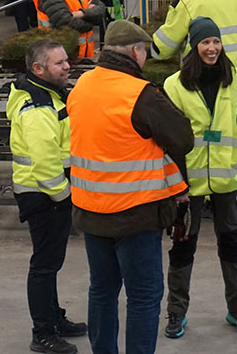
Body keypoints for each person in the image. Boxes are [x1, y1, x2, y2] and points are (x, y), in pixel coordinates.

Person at [67, 20, 194, 354]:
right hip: (135, 215)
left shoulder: (81, 86)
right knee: (143, 296)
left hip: (91, 211)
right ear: (137, 52)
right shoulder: (140, 94)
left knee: (102, 291)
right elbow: (182, 138)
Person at [160, 18, 237, 340]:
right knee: (183, 245)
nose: (212, 48)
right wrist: (175, 185)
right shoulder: (174, 85)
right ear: (194, 45)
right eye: (205, 42)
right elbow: (168, 137)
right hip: (189, 182)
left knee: (230, 243)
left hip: (227, 179)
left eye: (216, 42)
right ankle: (176, 313)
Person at [8, 39, 87, 354]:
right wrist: (65, 196)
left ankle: (54, 319)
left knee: (51, 263)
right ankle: (42, 332)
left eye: (66, 61)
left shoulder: (50, 95)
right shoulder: (38, 107)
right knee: (44, 265)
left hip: (47, 194)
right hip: (43, 196)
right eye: (59, 63)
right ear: (38, 69)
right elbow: (45, 162)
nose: (67, 66)